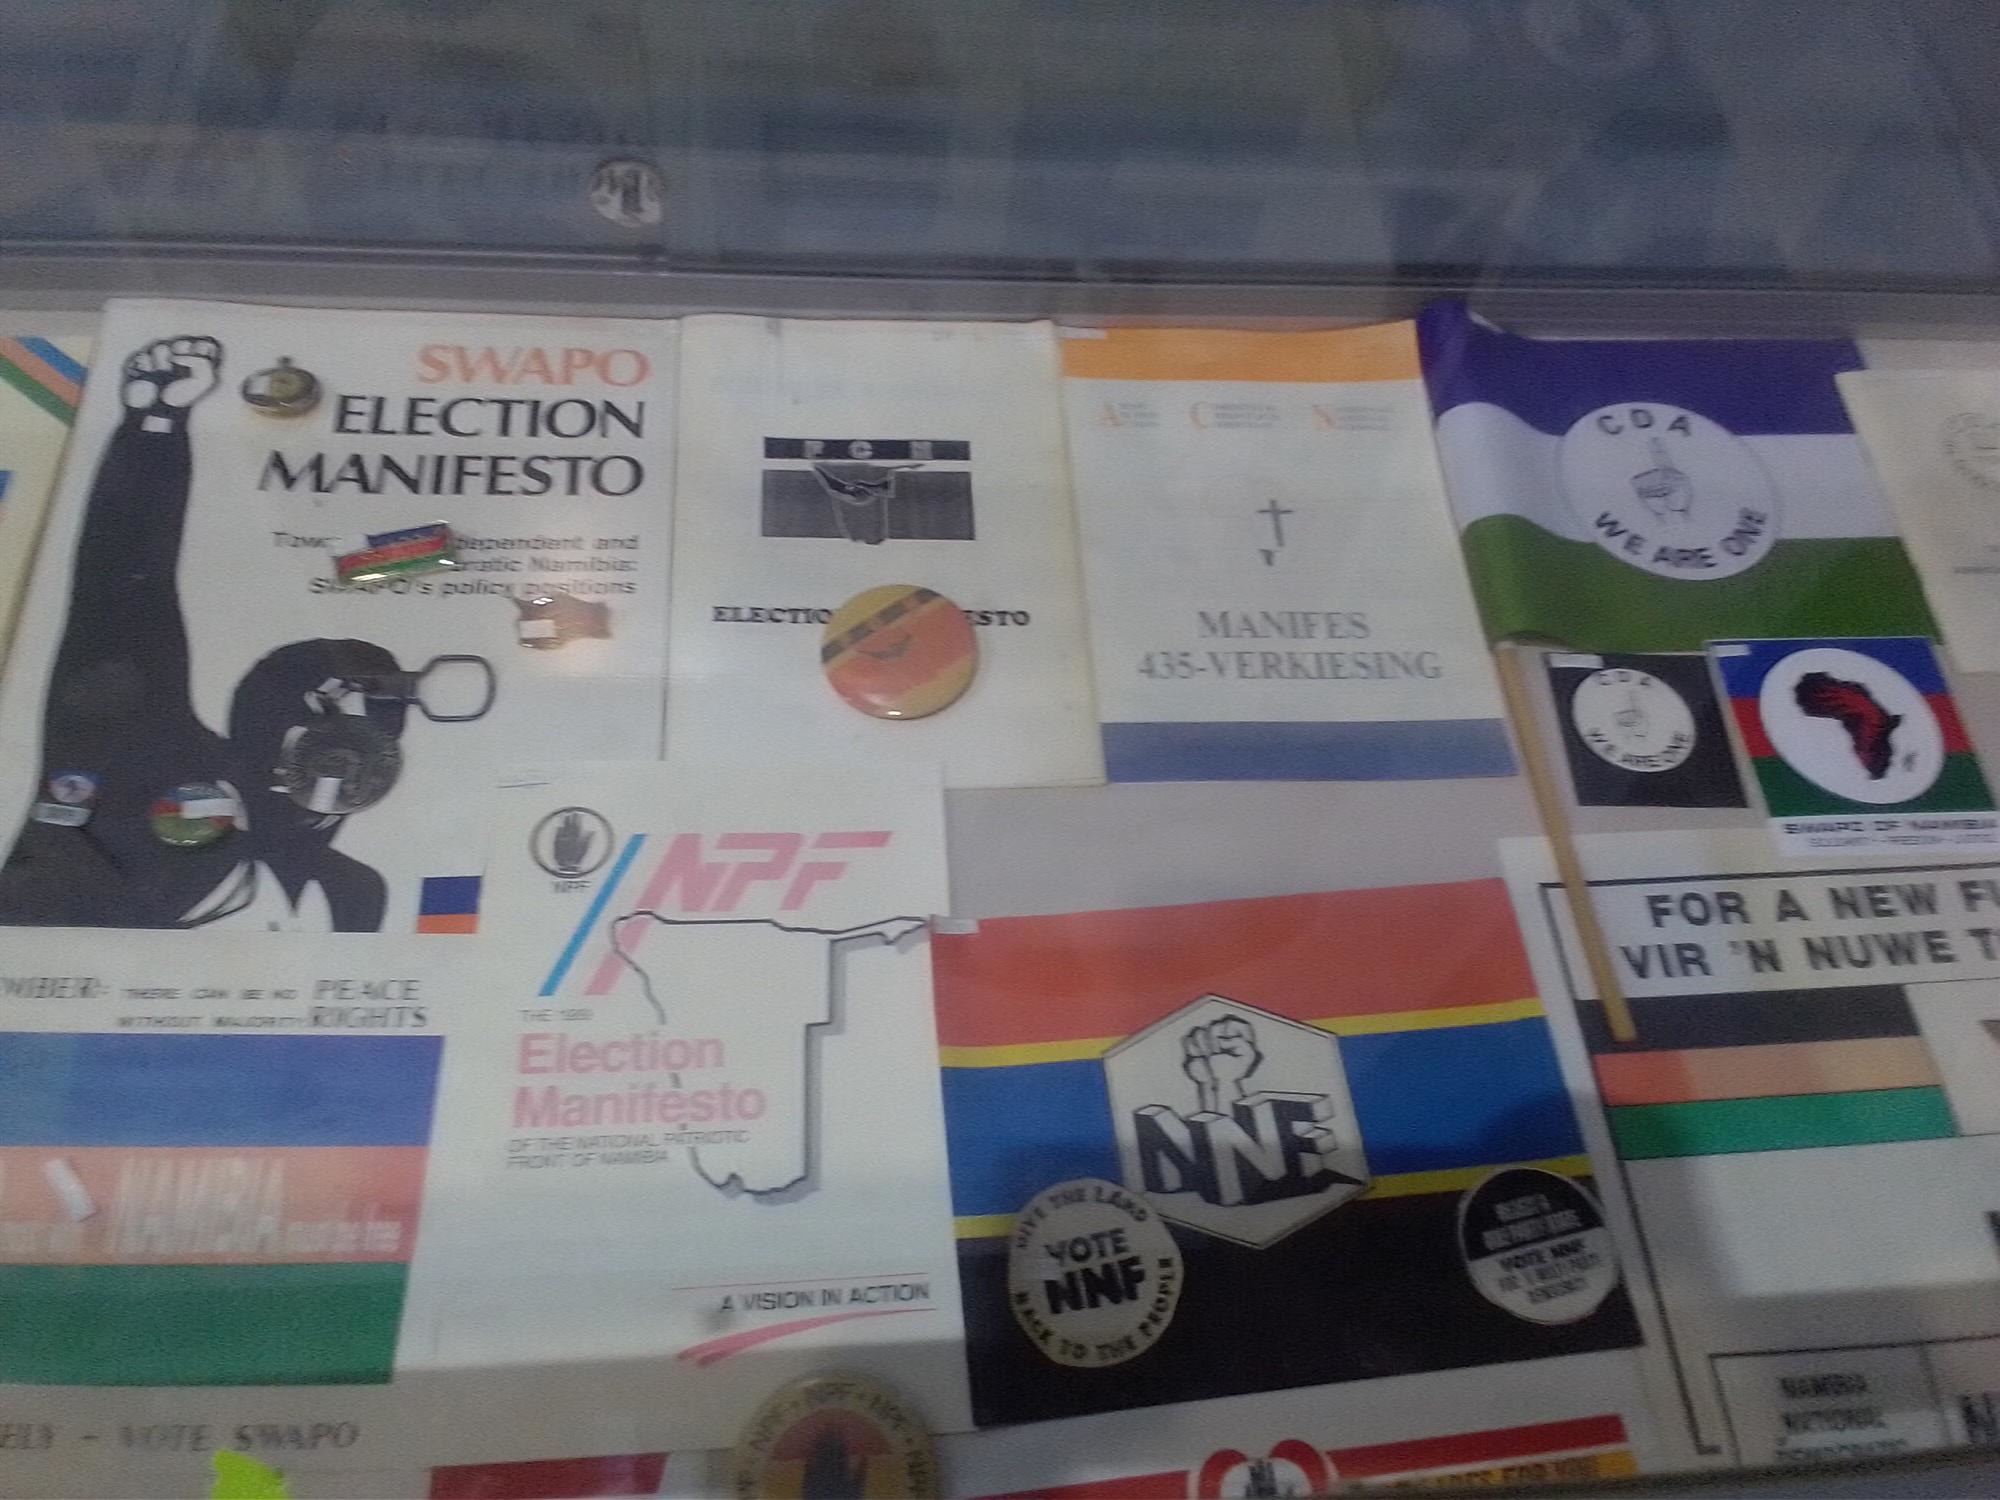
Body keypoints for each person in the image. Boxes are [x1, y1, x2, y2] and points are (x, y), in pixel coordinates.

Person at [0, 337, 425, 931]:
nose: (333, 743)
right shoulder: (145, 759)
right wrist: (156, 427)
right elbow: (122, 596)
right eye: (315, 703)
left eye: (365, 715)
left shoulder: (353, 895)